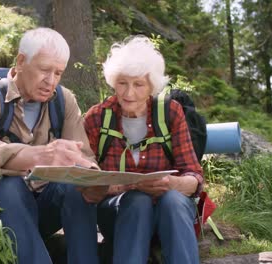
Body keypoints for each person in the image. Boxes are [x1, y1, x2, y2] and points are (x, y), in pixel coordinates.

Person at [0, 27, 107, 264]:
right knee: (10, 187)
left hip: (45, 208)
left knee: (76, 188)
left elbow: (84, 156)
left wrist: (92, 177)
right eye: (44, 70)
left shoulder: (65, 100)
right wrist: (43, 155)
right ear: (21, 61)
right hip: (0, 210)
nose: (50, 81)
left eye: (58, 73)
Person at [84, 35, 203, 264]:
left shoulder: (170, 112)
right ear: (113, 81)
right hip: (118, 216)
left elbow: (194, 176)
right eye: (122, 83)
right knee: (137, 200)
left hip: (168, 217)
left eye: (138, 84)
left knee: (174, 200)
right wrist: (129, 185)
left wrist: (173, 184)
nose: (129, 93)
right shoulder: (97, 117)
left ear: (151, 86)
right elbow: (86, 184)